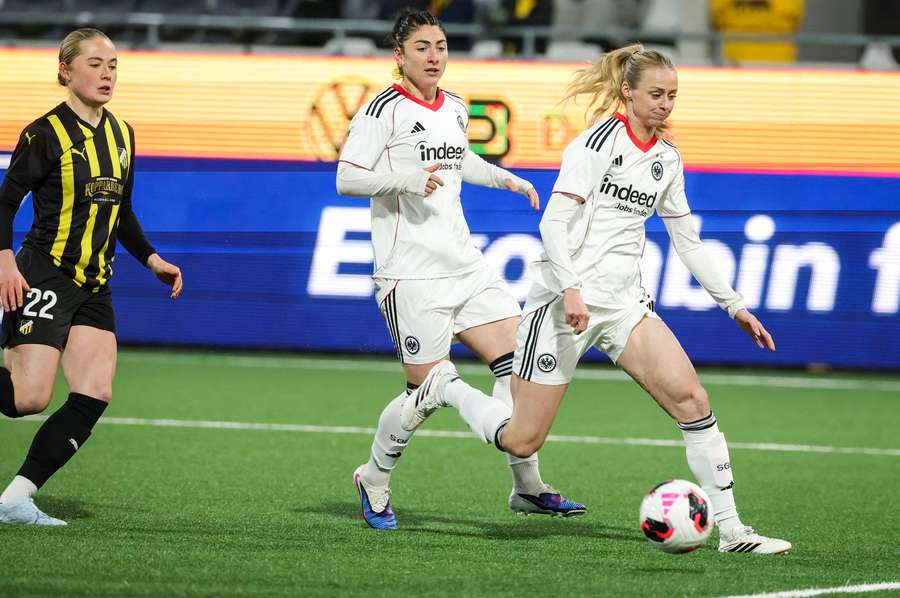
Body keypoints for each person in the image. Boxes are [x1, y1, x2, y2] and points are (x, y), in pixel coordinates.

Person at [403, 44, 792, 554]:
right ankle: (447, 389)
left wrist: (734, 305)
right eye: (655, 94)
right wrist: (570, 290)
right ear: (627, 91)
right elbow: (553, 223)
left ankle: (733, 531)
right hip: (563, 306)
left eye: (672, 95)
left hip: (624, 305)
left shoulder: (667, 159)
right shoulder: (595, 144)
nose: (664, 104)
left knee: (693, 401)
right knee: (522, 438)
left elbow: (687, 240)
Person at [336, 8, 585, 530]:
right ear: (399, 56)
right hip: (411, 274)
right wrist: (402, 179)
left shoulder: (451, 104)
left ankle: (527, 486)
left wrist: (506, 179)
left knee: (519, 367)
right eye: (423, 47)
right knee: (424, 393)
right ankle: (374, 479)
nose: (435, 56)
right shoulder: (382, 110)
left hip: (466, 266)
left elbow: (459, 160)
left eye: (442, 46)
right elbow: (347, 178)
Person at [0, 28, 183, 525]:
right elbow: (5, 203)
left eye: (114, 65)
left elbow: (120, 212)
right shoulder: (44, 134)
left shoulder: (122, 134)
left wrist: (151, 259)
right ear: (66, 71)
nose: (107, 74)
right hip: (44, 273)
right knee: (27, 399)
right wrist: (4, 260)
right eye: (96, 64)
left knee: (94, 393)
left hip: (95, 283)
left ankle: (16, 498)